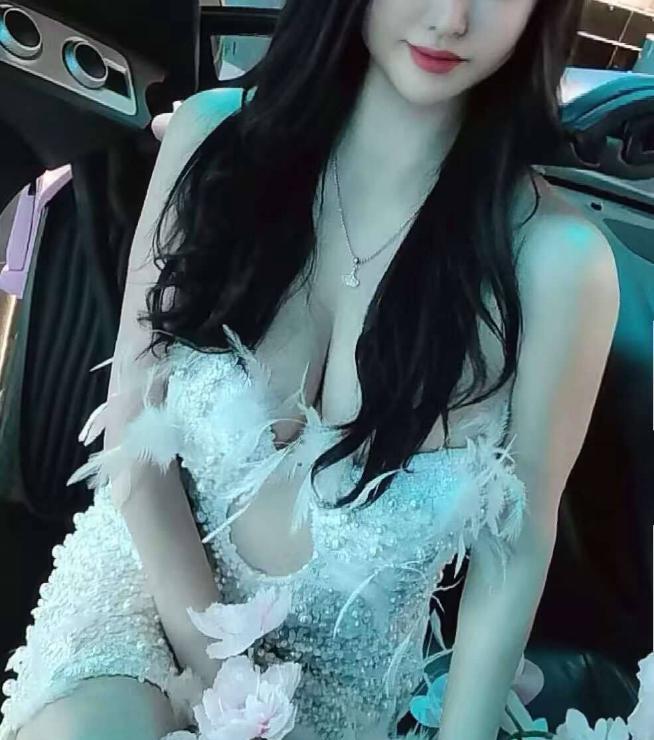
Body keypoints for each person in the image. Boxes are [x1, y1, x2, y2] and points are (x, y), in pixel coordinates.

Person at [0, 1, 620, 738]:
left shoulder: (556, 264)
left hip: (338, 685)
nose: (451, 18)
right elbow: (133, 440)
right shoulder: (213, 140)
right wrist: (233, 686)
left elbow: (513, 552)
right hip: (147, 592)